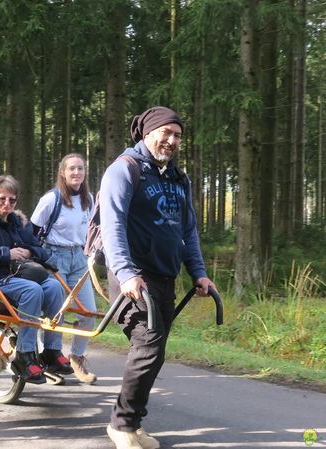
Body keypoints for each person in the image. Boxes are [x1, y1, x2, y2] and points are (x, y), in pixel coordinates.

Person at [100, 106, 217, 449]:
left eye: (177, 135)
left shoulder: (179, 179)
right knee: (148, 347)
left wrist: (199, 272)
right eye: (165, 132)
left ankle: (132, 425)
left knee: (155, 351)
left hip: (165, 276)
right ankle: (121, 425)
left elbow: (188, 230)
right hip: (133, 278)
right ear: (147, 133)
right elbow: (112, 227)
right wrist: (125, 273)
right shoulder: (124, 170)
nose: (171, 140)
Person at [0, 174, 74, 385]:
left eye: (12, 200)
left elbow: (37, 247)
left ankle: (51, 350)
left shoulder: (18, 222)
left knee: (55, 287)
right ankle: (25, 355)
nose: (7, 204)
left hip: (22, 274)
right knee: (33, 290)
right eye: (2, 199)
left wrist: (29, 253)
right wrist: (7, 254)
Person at [31, 153, 97, 384]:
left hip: (78, 257)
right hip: (54, 257)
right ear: (63, 172)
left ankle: (76, 357)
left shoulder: (88, 198)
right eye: (72, 169)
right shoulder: (52, 199)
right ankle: (48, 357)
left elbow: (92, 231)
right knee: (55, 312)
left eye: (80, 168)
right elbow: (32, 232)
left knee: (88, 312)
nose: (76, 173)